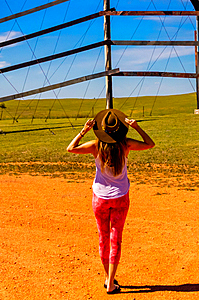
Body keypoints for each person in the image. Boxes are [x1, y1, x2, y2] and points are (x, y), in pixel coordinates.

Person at [67, 109, 155, 294]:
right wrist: (137, 127)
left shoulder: (95, 145)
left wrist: (83, 131)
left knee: (103, 237)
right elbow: (150, 144)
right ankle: (111, 284)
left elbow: (71, 148)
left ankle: (108, 278)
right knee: (116, 239)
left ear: (101, 129)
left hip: (100, 197)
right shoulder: (126, 144)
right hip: (121, 196)